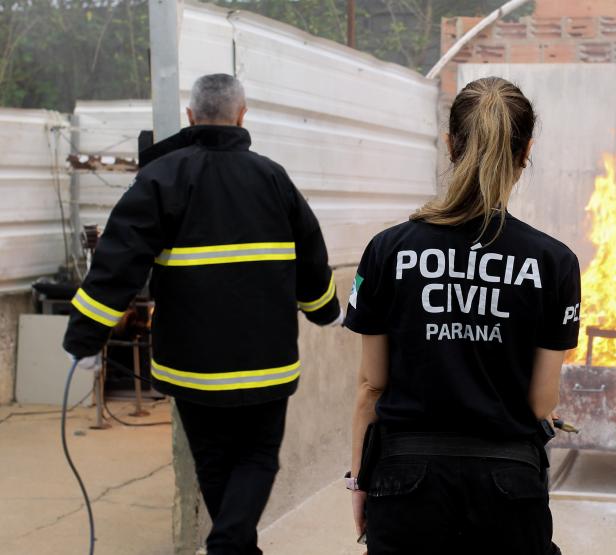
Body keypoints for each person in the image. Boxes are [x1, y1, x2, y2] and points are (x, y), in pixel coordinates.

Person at [63, 73, 341, 555]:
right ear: (242, 114)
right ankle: (231, 547)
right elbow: (311, 257)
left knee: (213, 461)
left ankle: (232, 547)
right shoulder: (273, 178)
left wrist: (85, 339)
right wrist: (326, 311)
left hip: (192, 368)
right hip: (266, 364)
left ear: (191, 117)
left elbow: (117, 262)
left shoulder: (162, 178)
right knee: (257, 459)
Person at [345, 76, 580, 555]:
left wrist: (360, 480)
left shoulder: (388, 250)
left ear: (450, 144)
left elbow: (371, 386)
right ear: (526, 151)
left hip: (404, 482)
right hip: (508, 487)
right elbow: (540, 404)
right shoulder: (554, 262)